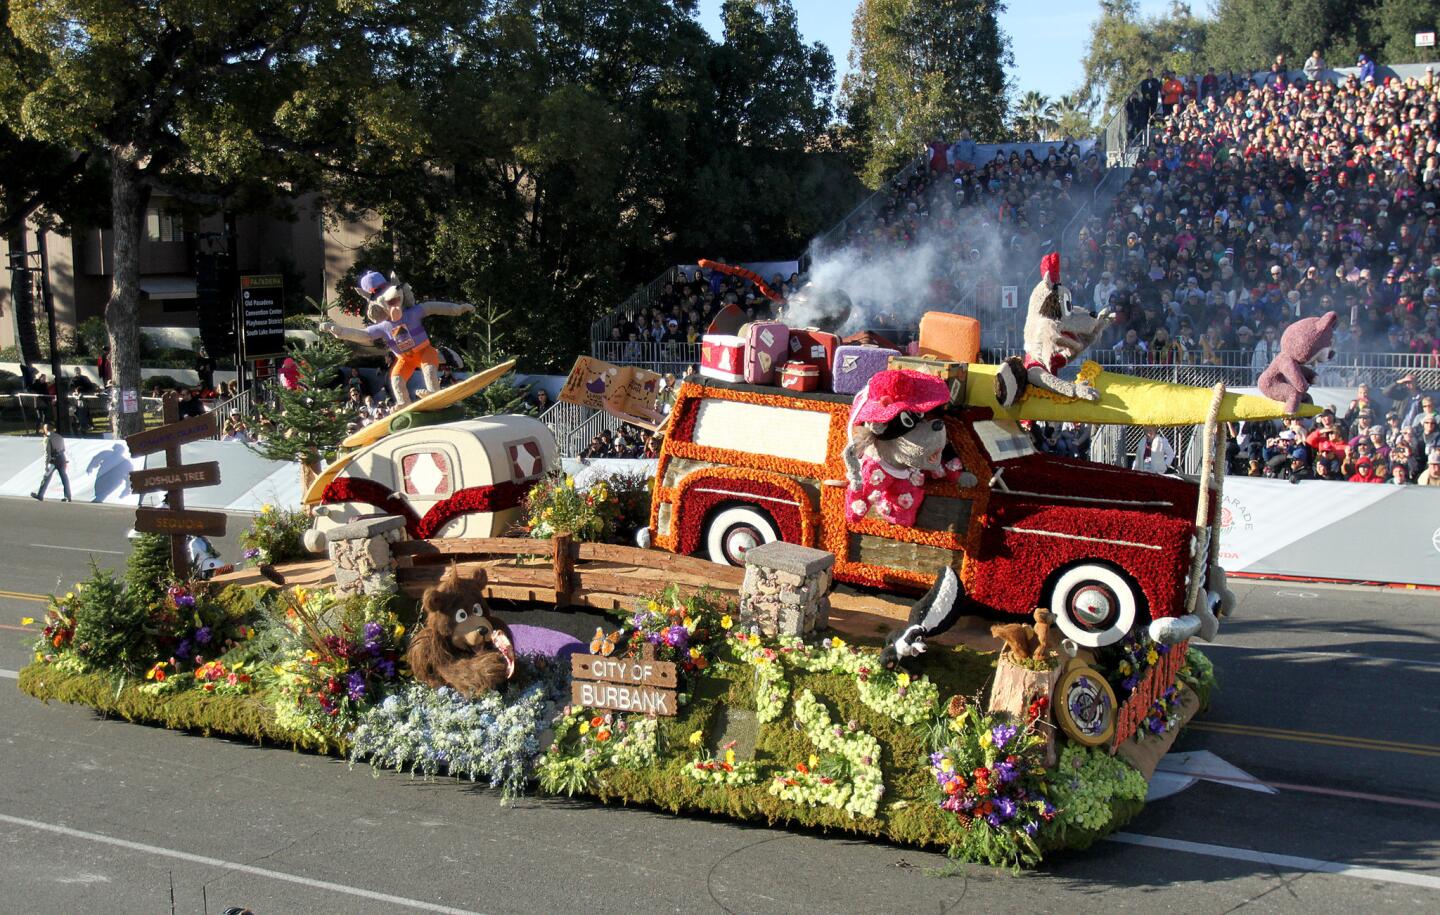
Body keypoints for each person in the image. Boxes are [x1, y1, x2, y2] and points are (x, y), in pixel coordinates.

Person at [31, 423, 71, 502]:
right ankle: (68, 496)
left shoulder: (47, 438)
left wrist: (46, 464)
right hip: (62, 458)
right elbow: (63, 449)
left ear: (46, 429)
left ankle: (40, 495)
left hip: (53, 460)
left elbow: (47, 453)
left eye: (44, 429)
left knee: (46, 477)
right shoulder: (60, 437)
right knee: (64, 478)